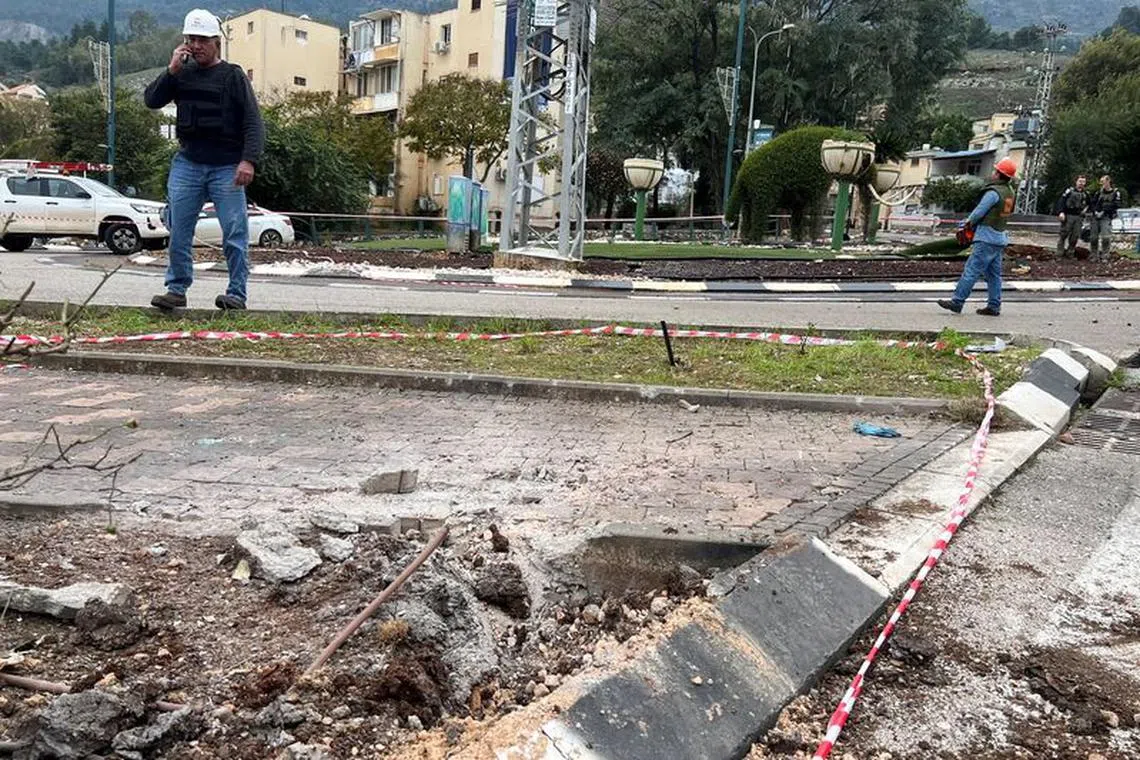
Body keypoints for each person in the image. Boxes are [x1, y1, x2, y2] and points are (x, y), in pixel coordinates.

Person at [143, 9, 264, 311]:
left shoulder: (233, 76)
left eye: (201, 40)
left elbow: (253, 121)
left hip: (227, 165)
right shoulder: (181, 74)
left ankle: (236, 293)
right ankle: (176, 289)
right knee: (179, 229)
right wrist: (171, 70)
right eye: (190, 39)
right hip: (189, 162)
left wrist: (248, 160)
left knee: (234, 230)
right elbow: (151, 100)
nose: (195, 45)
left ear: (216, 42)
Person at [938, 157, 1018, 317]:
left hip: (986, 238)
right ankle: (994, 305)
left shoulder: (993, 193)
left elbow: (979, 212)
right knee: (994, 275)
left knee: (971, 270)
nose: (993, 174)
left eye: (996, 171)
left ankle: (957, 302)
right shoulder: (1010, 192)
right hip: (1000, 238)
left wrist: (966, 224)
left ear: (999, 174)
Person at [1086, 175, 1121, 263]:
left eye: (1103, 182)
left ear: (1108, 181)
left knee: (1105, 237)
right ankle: (1094, 255)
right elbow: (1092, 203)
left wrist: (1104, 211)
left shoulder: (1115, 193)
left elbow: (1116, 205)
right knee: (1093, 238)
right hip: (1096, 217)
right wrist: (1094, 212)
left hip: (1106, 217)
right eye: (1101, 182)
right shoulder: (1098, 193)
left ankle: (1105, 255)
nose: (1102, 184)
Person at [1054, 174, 1088, 258]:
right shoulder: (1069, 191)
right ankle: (1059, 253)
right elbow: (1061, 201)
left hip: (1079, 217)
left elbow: (1090, 204)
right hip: (1068, 215)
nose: (1081, 183)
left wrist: (1086, 210)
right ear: (1076, 182)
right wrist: (1061, 212)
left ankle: (1070, 253)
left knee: (1075, 237)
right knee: (1063, 235)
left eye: (1083, 182)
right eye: (1080, 181)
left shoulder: (1086, 194)